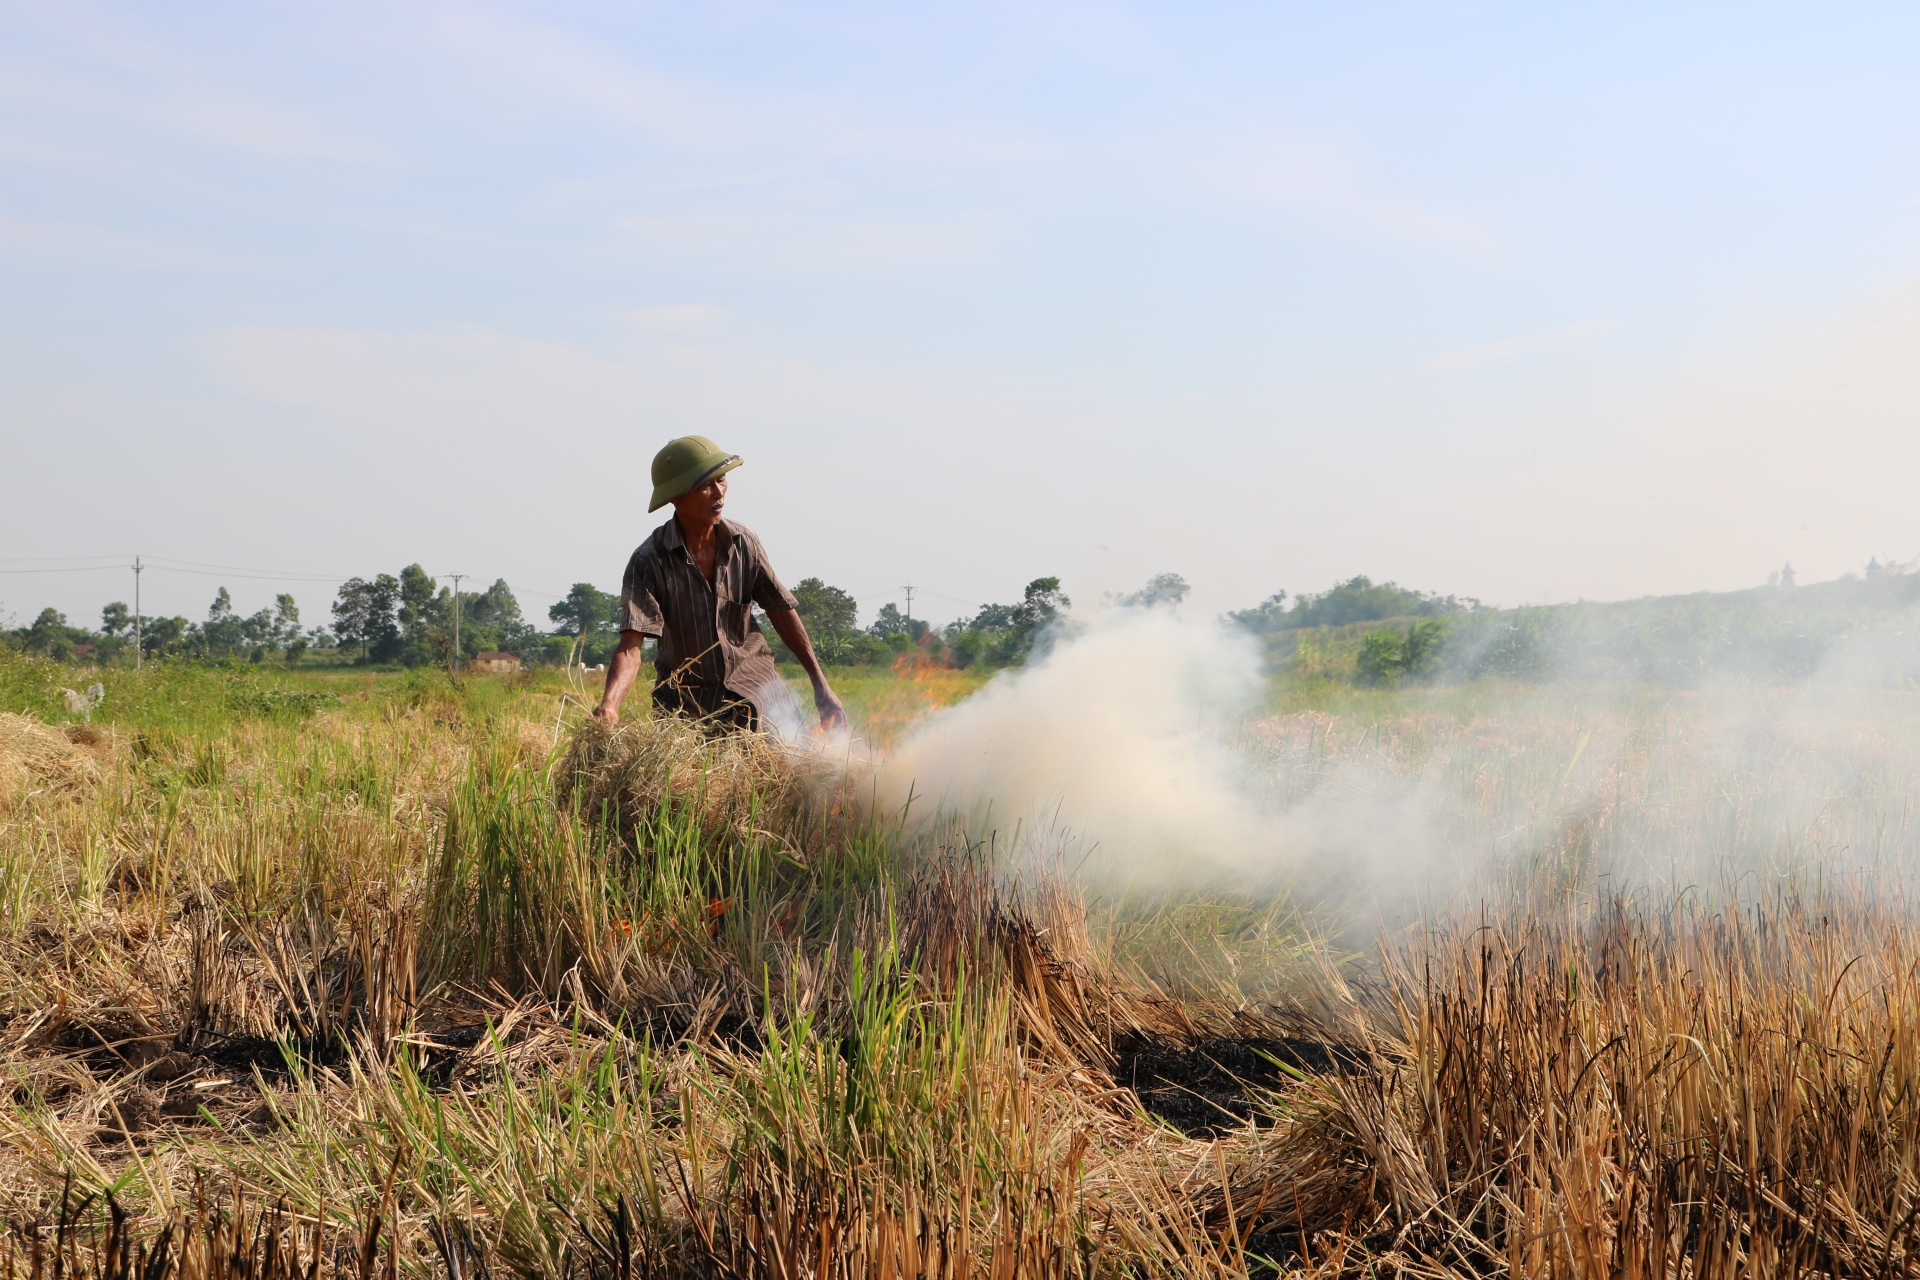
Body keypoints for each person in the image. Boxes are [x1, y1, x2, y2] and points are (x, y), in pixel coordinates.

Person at [592, 435, 847, 735]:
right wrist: (610, 704)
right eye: (705, 485)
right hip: (689, 709)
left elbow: (781, 612)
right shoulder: (649, 561)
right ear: (675, 496)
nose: (718, 493)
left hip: (760, 694)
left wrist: (821, 685)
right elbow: (631, 647)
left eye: (722, 480)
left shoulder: (744, 544)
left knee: (803, 774)